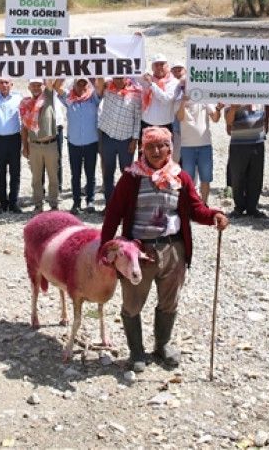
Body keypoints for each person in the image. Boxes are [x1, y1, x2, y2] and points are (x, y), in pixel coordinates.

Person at [102, 126, 228, 372]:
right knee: (132, 303)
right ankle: (136, 352)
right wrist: (104, 249)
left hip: (173, 249)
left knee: (169, 302)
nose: (157, 151)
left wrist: (215, 215)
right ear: (143, 149)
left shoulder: (181, 177)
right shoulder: (132, 177)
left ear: (170, 148)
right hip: (138, 253)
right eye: (151, 146)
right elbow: (114, 213)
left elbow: (196, 209)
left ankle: (162, 345)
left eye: (162, 146)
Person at [95, 76, 141, 208]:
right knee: (108, 172)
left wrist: (134, 139)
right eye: (116, 78)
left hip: (126, 139)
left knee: (126, 173)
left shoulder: (135, 94)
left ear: (127, 78)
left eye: (121, 78)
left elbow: (137, 118)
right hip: (108, 137)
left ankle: (126, 206)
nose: (118, 81)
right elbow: (99, 81)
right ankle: (109, 205)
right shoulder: (108, 88)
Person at [59, 76, 101, 214]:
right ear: (74, 86)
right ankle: (76, 202)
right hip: (74, 143)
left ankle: (90, 201)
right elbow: (56, 87)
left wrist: (92, 78)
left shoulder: (93, 98)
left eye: (84, 84)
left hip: (91, 143)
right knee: (75, 174)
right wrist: (63, 72)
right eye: (79, 84)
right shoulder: (69, 99)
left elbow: (100, 87)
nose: (82, 87)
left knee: (90, 174)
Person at [21, 78, 61, 212]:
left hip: (50, 145)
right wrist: (25, 147)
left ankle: (54, 204)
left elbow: (50, 80)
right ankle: (38, 204)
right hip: (34, 146)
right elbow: (25, 128)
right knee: (36, 177)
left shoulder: (48, 97)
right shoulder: (25, 104)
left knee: (53, 176)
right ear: (29, 87)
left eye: (39, 85)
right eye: (34, 85)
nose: (36, 88)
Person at [225, 104, 268, 217]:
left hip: (257, 143)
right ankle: (239, 207)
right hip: (239, 144)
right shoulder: (232, 97)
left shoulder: (261, 97)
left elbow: (265, 118)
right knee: (237, 177)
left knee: (256, 177)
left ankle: (252, 207)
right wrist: (234, 108)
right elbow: (228, 121)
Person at [0, 77, 23, 213]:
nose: (4, 85)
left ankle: (13, 202)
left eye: (7, 82)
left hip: (14, 139)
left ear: (11, 84)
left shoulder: (18, 98)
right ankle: (2, 203)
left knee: (15, 172)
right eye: (1, 83)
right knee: (0, 172)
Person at [177, 97, 222, 204]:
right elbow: (180, 117)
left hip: (205, 144)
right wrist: (183, 101)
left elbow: (215, 119)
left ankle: (204, 204)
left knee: (205, 178)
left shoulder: (204, 97)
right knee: (188, 179)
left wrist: (219, 109)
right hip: (186, 146)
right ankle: (190, 205)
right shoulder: (179, 98)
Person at [140, 54, 182, 138]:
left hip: (165, 127)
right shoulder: (147, 79)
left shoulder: (174, 82)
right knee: (145, 151)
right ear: (152, 68)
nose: (159, 67)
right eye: (156, 65)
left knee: (165, 151)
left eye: (162, 64)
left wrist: (152, 84)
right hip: (146, 125)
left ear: (167, 66)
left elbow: (166, 99)